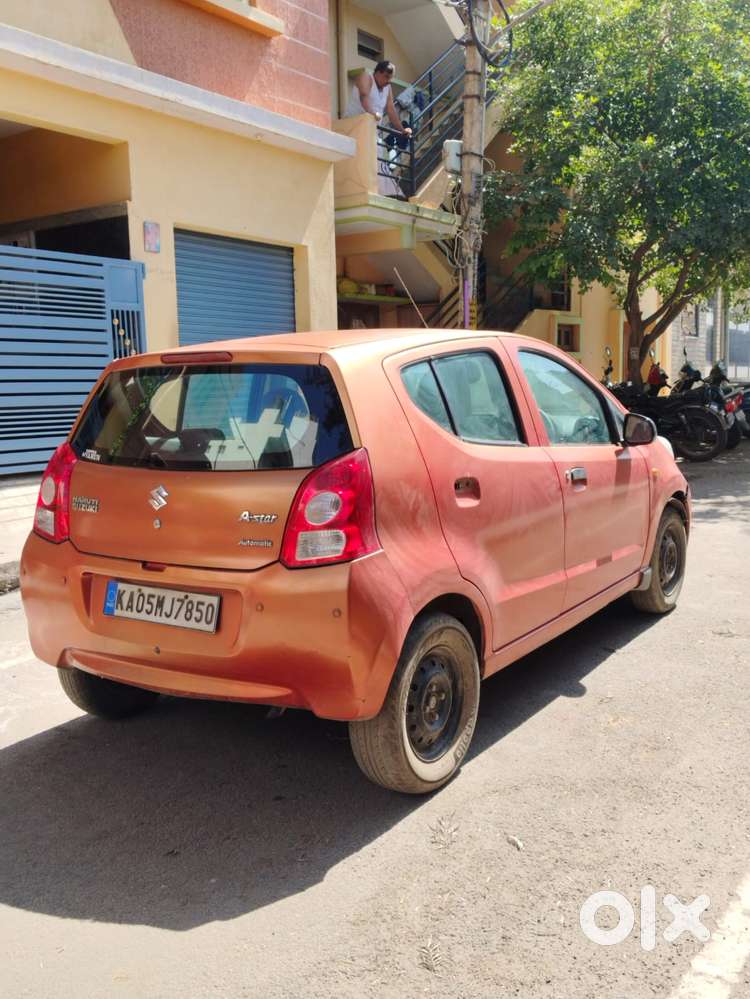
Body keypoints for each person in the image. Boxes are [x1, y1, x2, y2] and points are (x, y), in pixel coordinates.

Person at [344, 60, 412, 197]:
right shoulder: (366, 77)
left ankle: (388, 192)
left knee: (380, 157)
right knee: (373, 155)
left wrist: (401, 130)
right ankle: (381, 191)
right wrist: (372, 114)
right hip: (354, 126)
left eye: (390, 78)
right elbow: (364, 97)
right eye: (386, 77)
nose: (388, 81)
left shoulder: (388, 88)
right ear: (378, 72)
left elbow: (391, 110)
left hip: (372, 131)